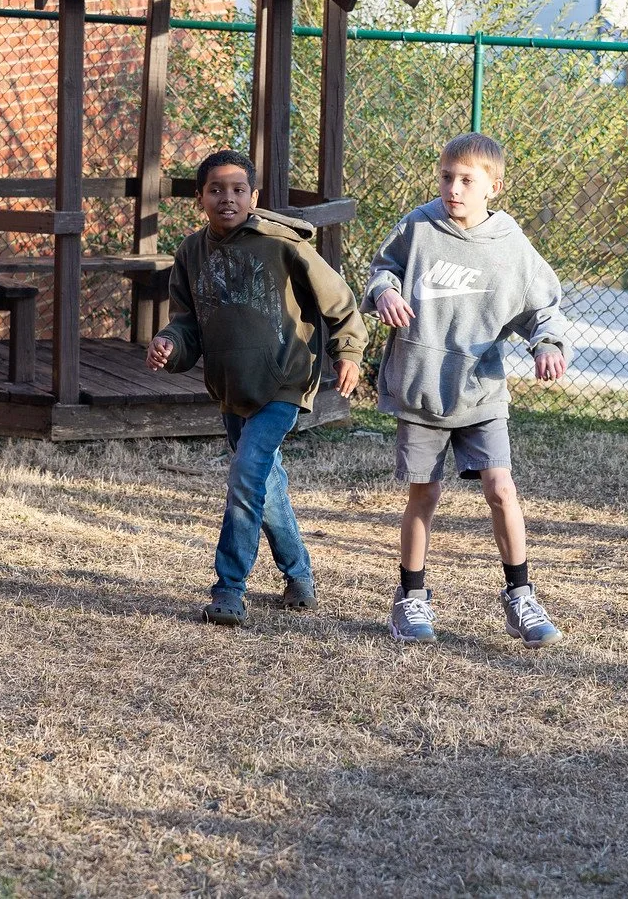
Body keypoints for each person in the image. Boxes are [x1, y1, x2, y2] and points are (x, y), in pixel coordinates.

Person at [363, 132, 568, 648]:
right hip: (422, 386)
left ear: (493, 187)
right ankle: (411, 598)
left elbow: (541, 306)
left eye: (466, 181)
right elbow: (382, 269)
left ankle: (520, 597)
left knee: (501, 489)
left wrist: (547, 344)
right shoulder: (418, 226)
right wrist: (385, 293)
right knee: (425, 493)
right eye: (446, 177)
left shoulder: (510, 245)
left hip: (480, 389)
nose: (453, 189)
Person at [146, 149, 366, 627]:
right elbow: (187, 325)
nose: (227, 198)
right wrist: (169, 344)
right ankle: (299, 575)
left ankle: (229, 589)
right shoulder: (191, 253)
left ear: (254, 197)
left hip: (285, 379)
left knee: (245, 476)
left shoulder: (281, 245)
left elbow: (340, 300)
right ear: (200, 198)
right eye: (216, 190)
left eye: (238, 189)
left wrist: (348, 351)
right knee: (264, 482)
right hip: (232, 386)